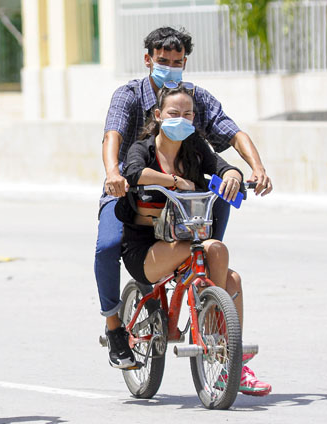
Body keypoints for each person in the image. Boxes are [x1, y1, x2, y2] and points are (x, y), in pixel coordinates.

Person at [96, 26, 272, 391]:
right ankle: (115, 327)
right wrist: (114, 173)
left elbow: (231, 135)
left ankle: (218, 329)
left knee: (218, 262)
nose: (171, 68)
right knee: (107, 247)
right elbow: (113, 137)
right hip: (133, 196)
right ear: (149, 60)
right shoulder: (130, 100)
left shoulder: (195, 108)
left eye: (178, 62)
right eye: (163, 61)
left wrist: (252, 169)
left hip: (186, 208)